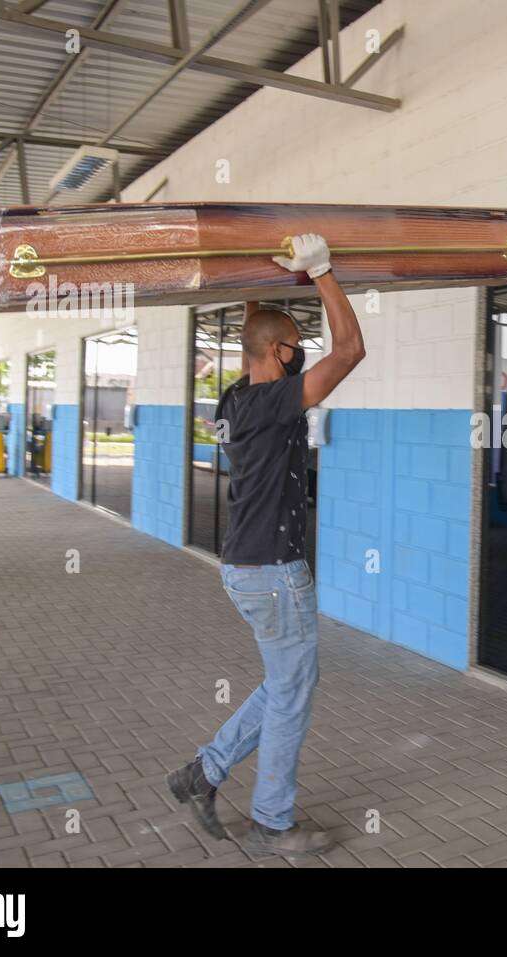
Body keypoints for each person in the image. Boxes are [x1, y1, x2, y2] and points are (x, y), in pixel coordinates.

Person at [166, 233, 365, 859]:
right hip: (276, 574)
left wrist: (255, 275)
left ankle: (203, 773)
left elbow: (257, 332)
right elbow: (353, 348)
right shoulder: (278, 403)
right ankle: (273, 821)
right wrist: (324, 273)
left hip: (243, 570)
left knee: (285, 684)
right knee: (292, 694)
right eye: (297, 349)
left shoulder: (235, 399)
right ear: (279, 355)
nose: (303, 357)